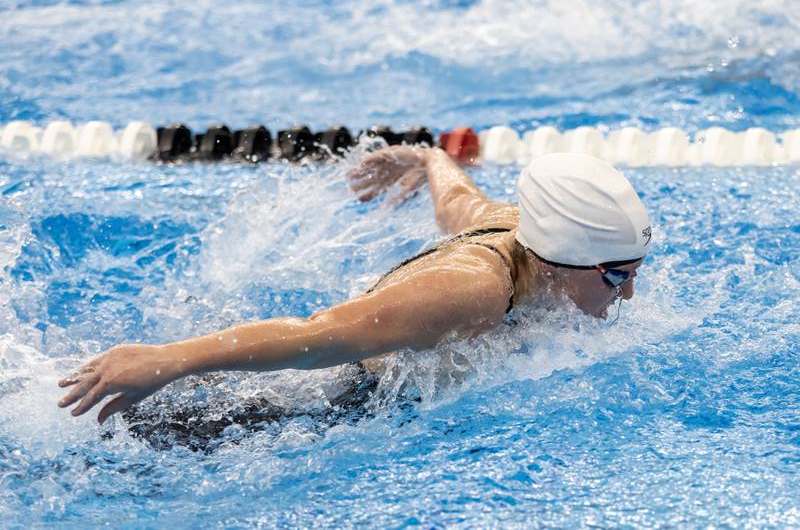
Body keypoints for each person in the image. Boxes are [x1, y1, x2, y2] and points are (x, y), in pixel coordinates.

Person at [58, 147, 652, 426]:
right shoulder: (471, 290)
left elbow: (457, 199)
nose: (626, 296)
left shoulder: (516, 229)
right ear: (556, 263)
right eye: (617, 277)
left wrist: (429, 158)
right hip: (317, 399)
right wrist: (167, 359)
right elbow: (322, 336)